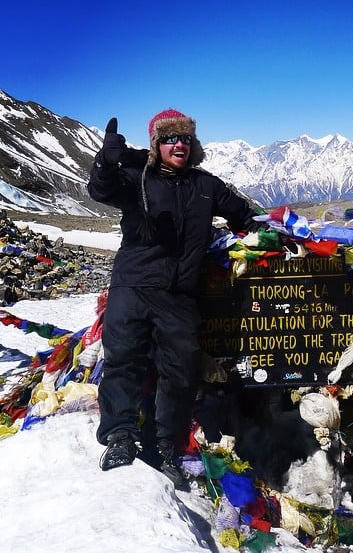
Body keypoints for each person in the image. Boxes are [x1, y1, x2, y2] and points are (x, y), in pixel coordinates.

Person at [88, 108, 262, 486]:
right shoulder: (136, 177)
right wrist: (104, 162)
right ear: (156, 144)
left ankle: (164, 446)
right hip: (133, 286)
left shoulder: (206, 185)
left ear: (193, 144)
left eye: (184, 138)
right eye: (169, 138)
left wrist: (267, 237)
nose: (178, 144)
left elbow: (243, 216)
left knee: (180, 372)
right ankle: (120, 436)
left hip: (180, 295)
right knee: (124, 361)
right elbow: (102, 190)